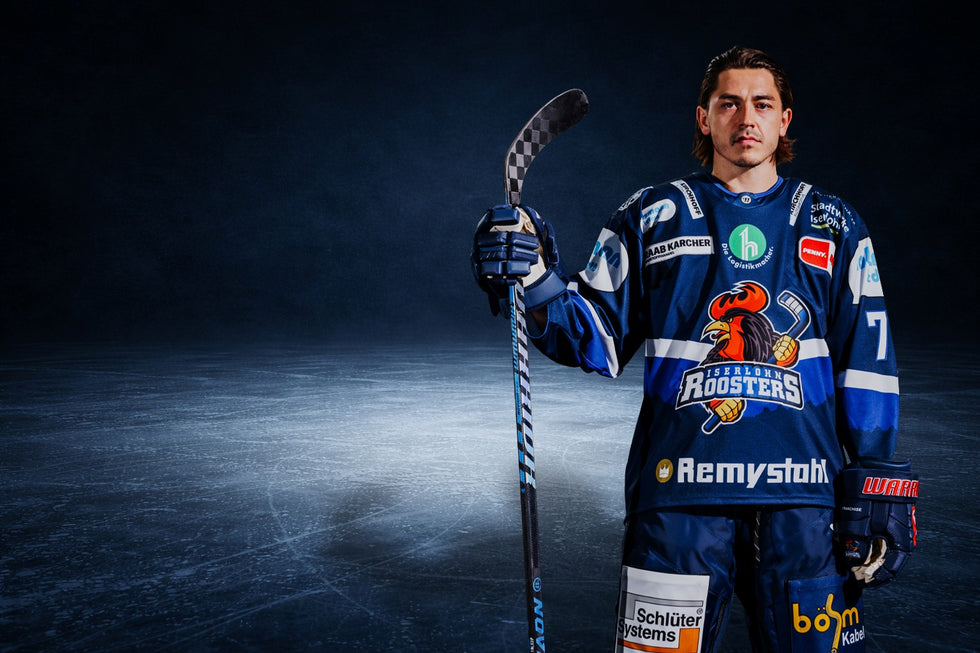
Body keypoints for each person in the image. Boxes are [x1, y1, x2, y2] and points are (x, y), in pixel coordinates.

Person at [471, 46, 918, 653]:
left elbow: (868, 363)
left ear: (785, 119)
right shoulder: (652, 215)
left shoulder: (832, 222)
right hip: (677, 499)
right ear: (704, 118)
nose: (746, 118)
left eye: (762, 104)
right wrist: (534, 277)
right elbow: (593, 337)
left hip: (805, 504)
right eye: (728, 104)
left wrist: (876, 475)